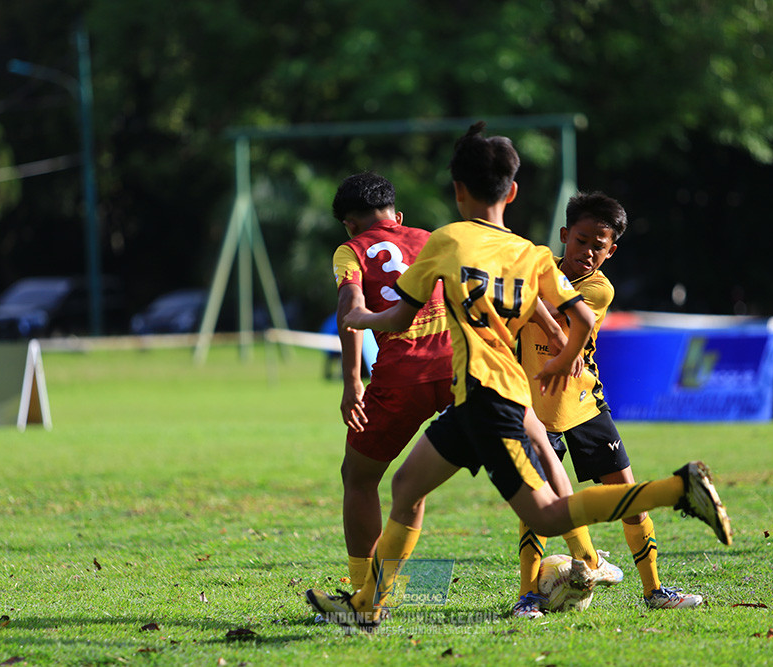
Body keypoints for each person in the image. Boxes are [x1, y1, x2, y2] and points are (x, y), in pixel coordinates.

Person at [305, 122, 732, 634]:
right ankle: (369, 606)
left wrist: (362, 320)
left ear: (458, 191)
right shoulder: (530, 253)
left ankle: (675, 489)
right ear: (511, 191)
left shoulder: (448, 241)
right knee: (406, 486)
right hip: (479, 395)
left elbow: (397, 318)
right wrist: (561, 357)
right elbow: (579, 319)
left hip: (489, 400)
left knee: (549, 515)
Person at [517, 191, 703, 611]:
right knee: (537, 512)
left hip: (584, 407)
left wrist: (521, 289)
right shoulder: (536, 268)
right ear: (565, 235)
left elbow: (542, 312)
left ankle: (654, 591)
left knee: (630, 502)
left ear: (610, 251)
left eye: (597, 247)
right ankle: (528, 597)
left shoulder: (598, 288)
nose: (587, 252)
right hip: (533, 411)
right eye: (580, 241)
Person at [330, 172, 453, 592]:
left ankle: (367, 592)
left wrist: (352, 382)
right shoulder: (432, 237)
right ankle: (576, 559)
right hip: (462, 371)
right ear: (396, 215)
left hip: (403, 378)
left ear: (349, 224)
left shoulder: (350, 251)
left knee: (360, 477)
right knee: (525, 468)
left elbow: (350, 308)